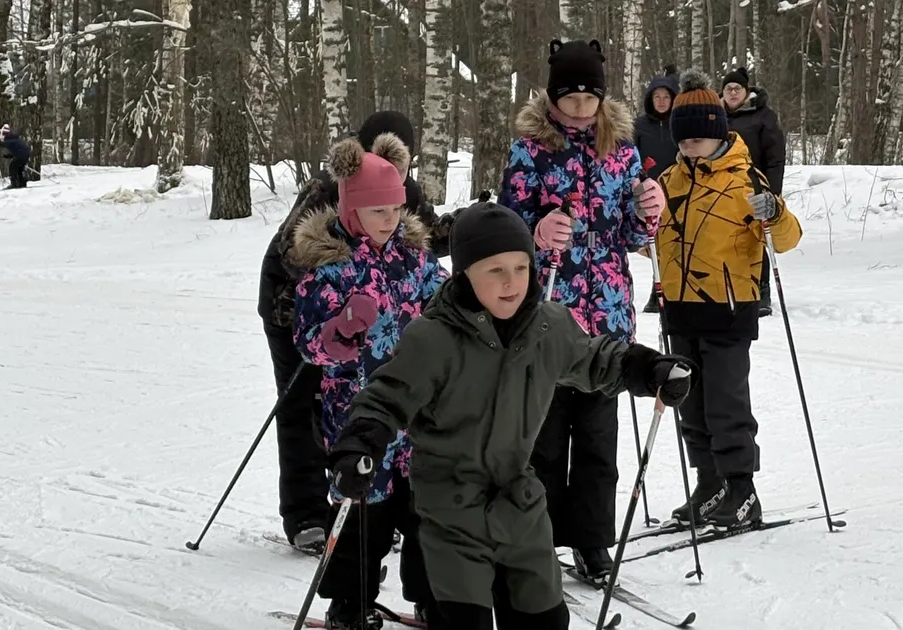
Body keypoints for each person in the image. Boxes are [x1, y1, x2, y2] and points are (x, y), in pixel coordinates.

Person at [326, 200, 695, 630]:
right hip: (451, 509)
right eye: (495, 270)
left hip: (520, 502)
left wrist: (650, 369)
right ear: (465, 273)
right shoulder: (433, 338)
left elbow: (596, 358)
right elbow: (385, 398)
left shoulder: (547, 326)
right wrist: (359, 442)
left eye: (521, 268)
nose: (511, 283)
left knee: (545, 618)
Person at [497, 38, 665, 580]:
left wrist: (649, 211)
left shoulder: (620, 145)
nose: (581, 109)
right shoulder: (530, 148)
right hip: (549, 309)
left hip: (608, 308)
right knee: (543, 436)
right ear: (553, 97)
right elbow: (504, 227)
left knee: (598, 438)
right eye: (571, 99)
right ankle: (538, 539)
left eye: (591, 98)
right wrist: (537, 231)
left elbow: (632, 231)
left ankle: (593, 542)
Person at [289, 131, 447, 629]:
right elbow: (309, 344)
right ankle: (348, 602)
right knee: (364, 510)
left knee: (423, 507)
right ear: (353, 211)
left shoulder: (414, 260)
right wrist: (339, 328)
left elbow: (444, 304)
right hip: (354, 407)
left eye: (397, 210)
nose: (391, 221)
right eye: (379, 212)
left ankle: (431, 596)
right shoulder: (329, 270)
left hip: (415, 408)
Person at [257, 110, 431, 554]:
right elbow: (295, 254)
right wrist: (340, 307)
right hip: (291, 307)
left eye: (405, 166)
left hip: (365, 328)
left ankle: (381, 510)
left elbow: (423, 242)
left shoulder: (397, 190)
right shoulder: (327, 191)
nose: (393, 213)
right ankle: (307, 514)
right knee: (303, 409)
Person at [656, 69, 802, 531]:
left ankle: (742, 490)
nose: (688, 148)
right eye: (682, 141)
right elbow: (649, 240)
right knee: (691, 403)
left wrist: (774, 212)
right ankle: (709, 483)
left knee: (726, 403)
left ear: (718, 134)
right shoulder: (669, 181)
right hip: (679, 309)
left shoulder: (747, 179)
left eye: (697, 139)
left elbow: (788, 237)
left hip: (728, 307)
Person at [721, 67, 787, 317]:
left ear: (746, 92)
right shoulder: (716, 114)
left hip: (756, 184)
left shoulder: (763, 116)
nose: (733, 93)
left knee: (758, 235)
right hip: (725, 187)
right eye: (729, 89)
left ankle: (762, 287)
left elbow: (775, 155)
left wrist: (773, 191)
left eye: (737, 88)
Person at [634, 65, 681, 315]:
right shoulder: (640, 125)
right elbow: (631, 158)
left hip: (677, 189)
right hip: (650, 192)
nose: (662, 102)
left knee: (676, 241)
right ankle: (658, 287)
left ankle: (672, 289)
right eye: (657, 97)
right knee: (655, 241)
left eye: (666, 97)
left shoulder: (679, 122)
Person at [0, 124, 31, 189]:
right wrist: (10, 155)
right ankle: (21, 183)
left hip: (22, 155)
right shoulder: (13, 138)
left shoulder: (9, 139)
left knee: (12, 167)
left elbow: (5, 144)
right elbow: (17, 149)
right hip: (25, 154)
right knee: (19, 169)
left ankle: (14, 184)